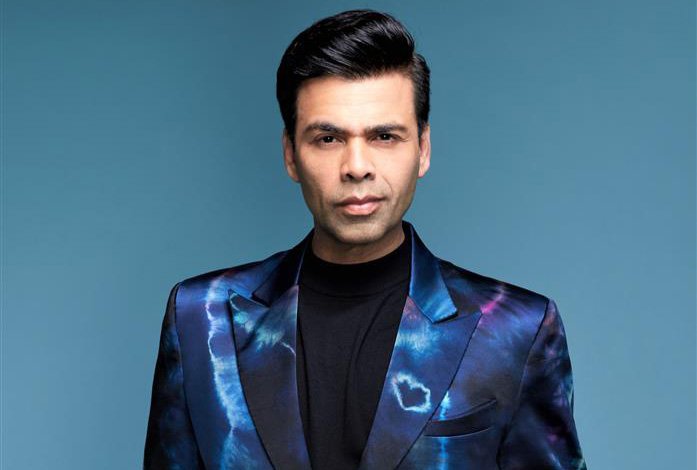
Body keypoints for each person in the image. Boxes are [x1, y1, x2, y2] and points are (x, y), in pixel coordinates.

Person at [144, 9, 586, 470]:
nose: (357, 167)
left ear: (423, 149)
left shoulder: (516, 330)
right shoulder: (200, 319)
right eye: (328, 138)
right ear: (291, 154)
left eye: (384, 136)